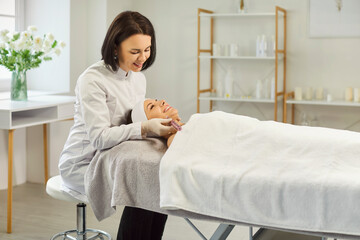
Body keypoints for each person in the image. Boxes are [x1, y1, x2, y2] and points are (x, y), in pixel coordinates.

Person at [58, 11, 176, 240]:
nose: (142, 58)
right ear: (114, 47)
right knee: (144, 186)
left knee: (158, 182)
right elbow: (100, 138)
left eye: (147, 49)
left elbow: (134, 120)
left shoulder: (138, 78)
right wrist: (146, 128)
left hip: (115, 158)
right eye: (134, 51)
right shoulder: (92, 80)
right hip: (83, 164)